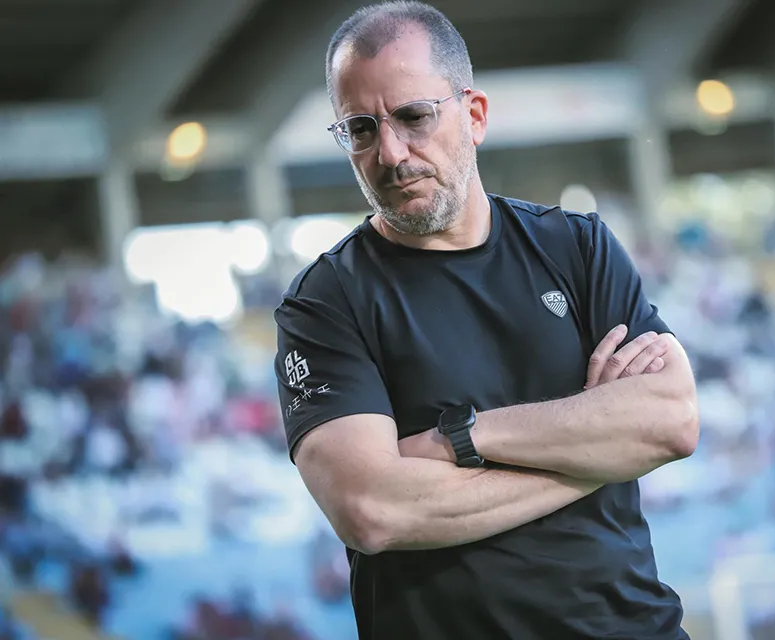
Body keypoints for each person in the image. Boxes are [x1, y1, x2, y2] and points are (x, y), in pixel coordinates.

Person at [273, 2, 699, 638]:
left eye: (413, 116)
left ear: (473, 115)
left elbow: (671, 422)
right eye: (361, 129)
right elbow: (372, 511)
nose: (390, 152)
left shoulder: (577, 247)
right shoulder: (324, 303)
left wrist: (460, 438)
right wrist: (598, 454)